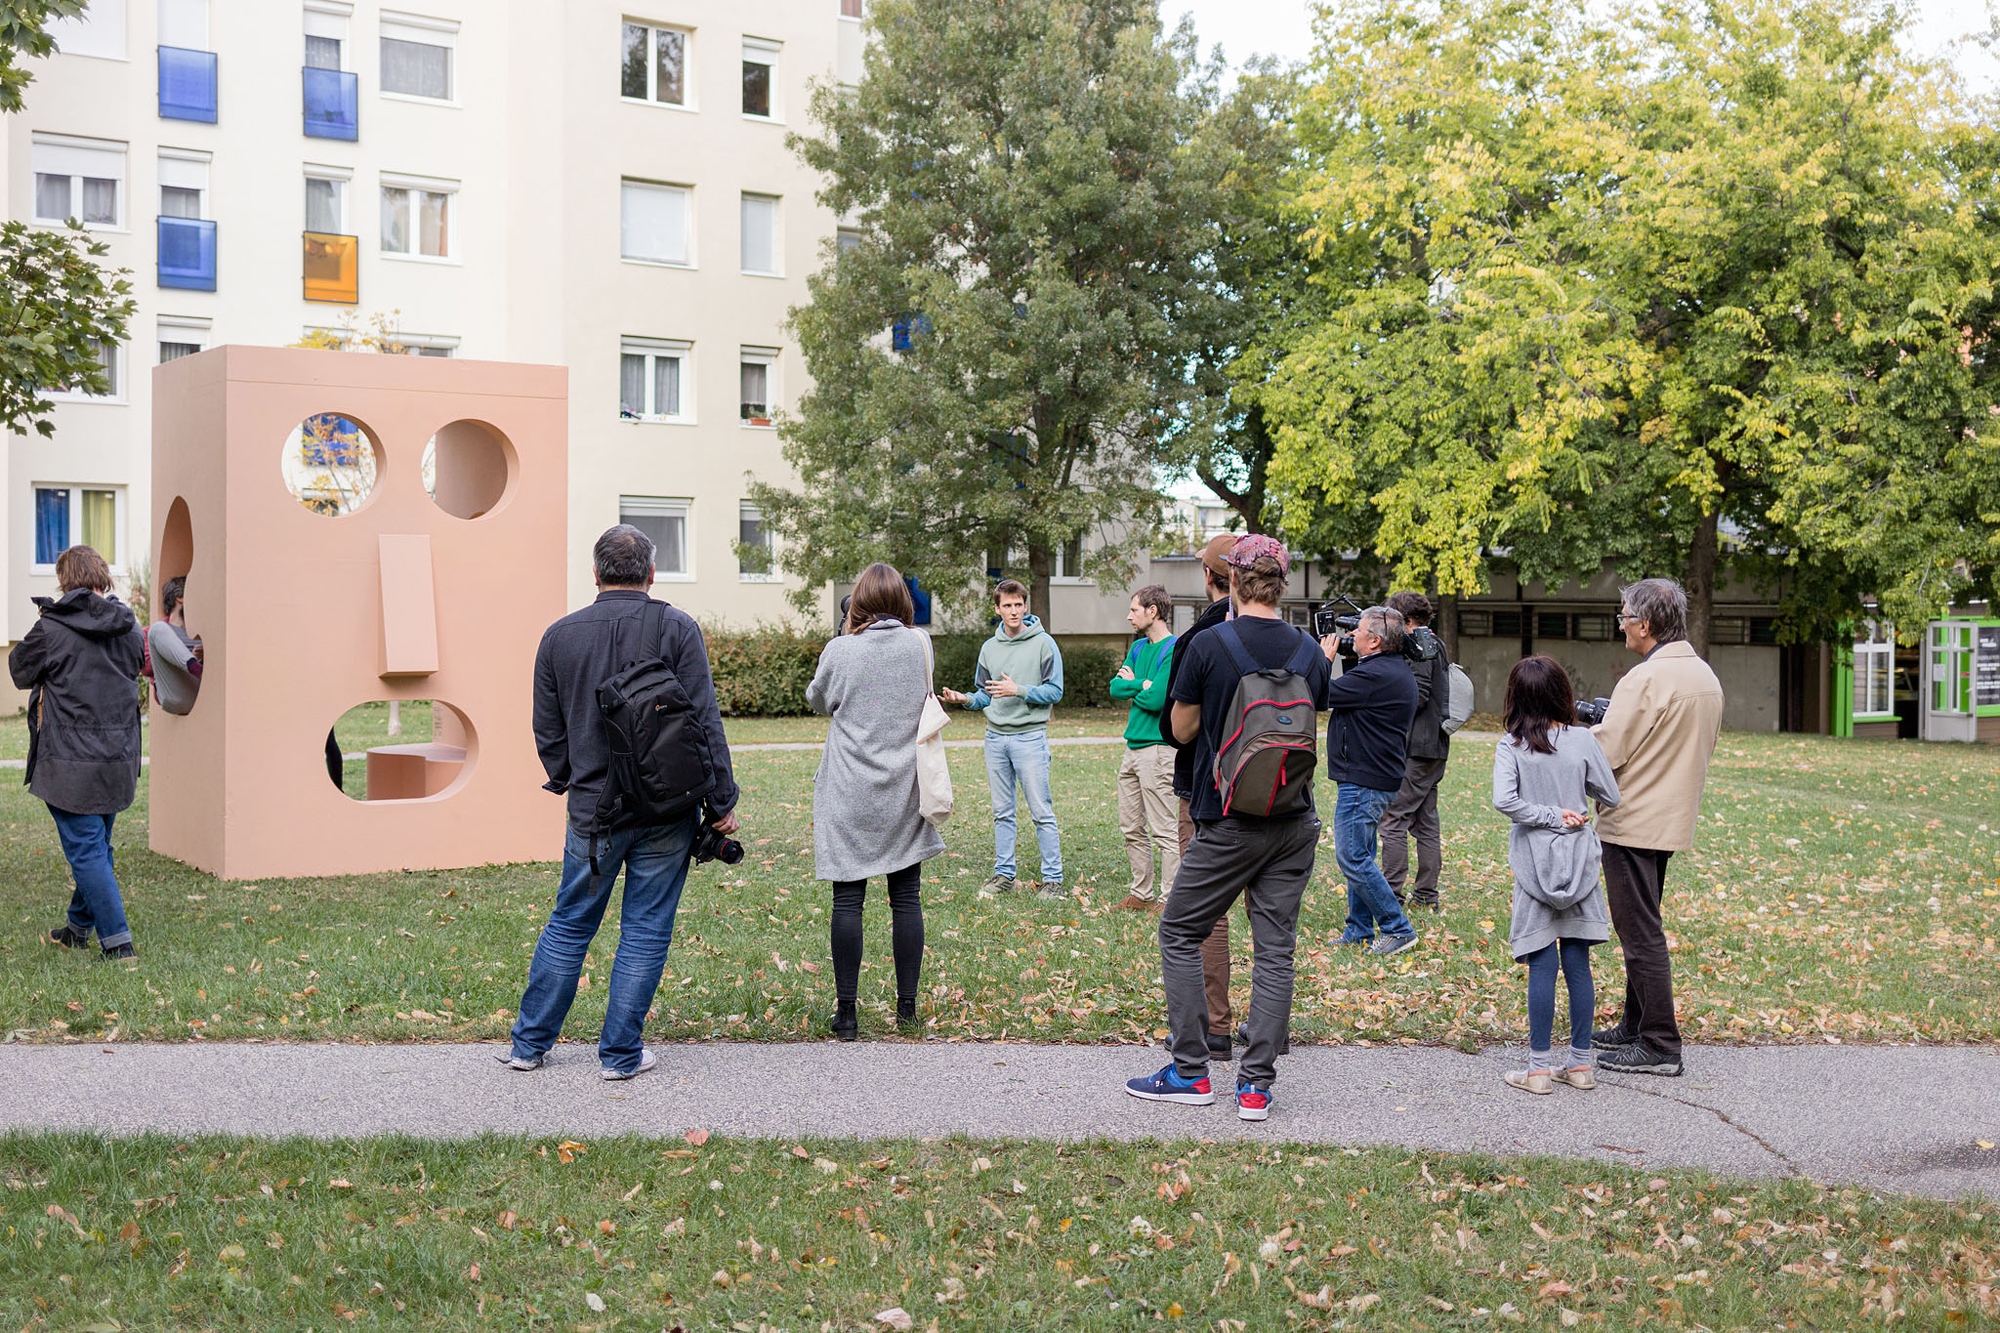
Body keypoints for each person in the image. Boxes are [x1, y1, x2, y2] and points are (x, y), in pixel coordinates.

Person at [500, 524, 739, 1080]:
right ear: (651, 574)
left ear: (595, 574)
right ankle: (620, 1056)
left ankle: (528, 1046)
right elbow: (703, 719)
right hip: (667, 811)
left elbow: (547, 729)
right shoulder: (677, 628)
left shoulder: (558, 637)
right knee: (647, 928)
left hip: (593, 812)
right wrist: (721, 799)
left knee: (570, 922)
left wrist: (570, 778)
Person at [1127, 534, 1330, 1122]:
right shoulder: (1310, 652)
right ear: (1282, 585)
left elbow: (1183, 731)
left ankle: (1191, 1071)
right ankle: (1255, 1089)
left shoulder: (1210, 644)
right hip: (1294, 820)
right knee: (1275, 951)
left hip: (1228, 819)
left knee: (1180, 929)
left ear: (1234, 582)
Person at [1590, 577, 1723, 1078]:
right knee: (1642, 925)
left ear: (1645, 625)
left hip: (1633, 820)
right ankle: (1636, 1024)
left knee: (1639, 931)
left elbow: (1607, 752)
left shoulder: (1644, 680)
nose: (1621, 624)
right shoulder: (1703, 675)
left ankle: (1661, 1042)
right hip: (1670, 816)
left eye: (1624, 616)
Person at [807, 562, 946, 1041]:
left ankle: (847, 1013)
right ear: (903, 603)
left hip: (849, 790)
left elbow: (818, 700)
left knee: (848, 899)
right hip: (904, 788)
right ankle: (907, 1008)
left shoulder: (840, 650)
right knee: (905, 897)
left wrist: (843, 636)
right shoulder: (920, 644)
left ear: (858, 603)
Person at [1492, 656, 1621, 1095]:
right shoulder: (1583, 740)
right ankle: (1581, 1065)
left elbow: (1503, 800)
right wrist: (1569, 807)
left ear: (1516, 697)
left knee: (1541, 965)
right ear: (1563, 694)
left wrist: (1545, 814)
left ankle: (1538, 1070)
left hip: (1533, 865)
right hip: (1580, 861)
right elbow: (1611, 794)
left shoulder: (1510, 746)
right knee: (1578, 963)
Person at [11, 546, 145, 960]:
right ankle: (77, 927)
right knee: (97, 849)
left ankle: (118, 945)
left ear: (64, 581)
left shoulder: (52, 629)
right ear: (103, 577)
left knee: (88, 853)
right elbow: (135, 669)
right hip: (118, 758)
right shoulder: (130, 626)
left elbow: (19, 670)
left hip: (70, 764)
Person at [1161, 535, 1241, 1060]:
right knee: (1274, 918)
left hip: (1207, 790)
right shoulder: (1293, 638)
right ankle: (1272, 1029)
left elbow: (1177, 730)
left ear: (1211, 577)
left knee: (1207, 913)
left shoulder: (1200, 638)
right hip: (1277, 792)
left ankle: (1215, 1027)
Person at [939, 579, 1065, 900]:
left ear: (1025, 606)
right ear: (997, 609)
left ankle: (1053, 879)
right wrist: (965, 699)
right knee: (1002, 812)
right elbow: (985, 694)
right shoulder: (989, 648)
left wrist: (1018, 690)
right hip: (995, 739)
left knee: (1041, 811)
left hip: (1029, 738)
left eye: (1018, 604)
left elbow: (1055, 691)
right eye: (1006, 605)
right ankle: (1004, 874)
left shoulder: (1044, 644)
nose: (1013, 610)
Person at [1322, 605, 1422, 955]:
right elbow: (1352, 693)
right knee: (1361, 852)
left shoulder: (1377, 674)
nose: (1351, 635)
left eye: (1358, 630)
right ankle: (1359, 929)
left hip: (1364, 779)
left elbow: (1324, 695)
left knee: (1352, 855)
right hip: (1373, 775)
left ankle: (1398, 928)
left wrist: (1325, 659)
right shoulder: (1386, 669)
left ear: (1375, 641)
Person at [1107, 584, 1178, 912]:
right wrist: (1140, 683)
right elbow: (1115, 688)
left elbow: (1157, 699)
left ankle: (1169, 899)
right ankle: (1141, 893)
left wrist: (1137, 686)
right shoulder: (1137, 648)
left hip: (1159, 750)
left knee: (1164, 828)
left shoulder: (1174, 649)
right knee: (1130, 825)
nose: (1128, 615)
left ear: (1154, 611)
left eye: (1134, 609)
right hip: (1133, 747)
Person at [1379, 590, 1448, 911]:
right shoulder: (1431, 643)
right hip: (1431, 747)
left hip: (1417, 749)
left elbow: (1417, 695)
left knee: (1393, 820)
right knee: (1425, 822)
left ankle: (1392, 896)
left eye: (1391, 620)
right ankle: (1426, 895)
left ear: (1405, 621)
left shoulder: (1422, 646)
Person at [144, 575, 203, 716]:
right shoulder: (156, 632)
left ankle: (197, 667)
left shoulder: (201, 630)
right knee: (157, 628)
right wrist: (191, 657)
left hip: (201, 690)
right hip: (175, 692)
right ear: (180, 597)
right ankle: (195, 666)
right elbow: (147, 669)